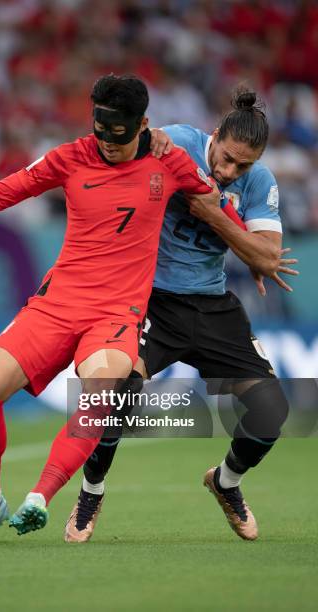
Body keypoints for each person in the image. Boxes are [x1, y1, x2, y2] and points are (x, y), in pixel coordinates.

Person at [0, 74, 245, 545]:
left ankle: (41, 496)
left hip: (117, 314)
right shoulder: (69, 157)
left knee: (97, 398)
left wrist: (255, 252)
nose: (108, 145)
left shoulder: (170, 162)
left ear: (142, 126)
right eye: (101, 132)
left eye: (119, 136)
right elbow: (3, 192)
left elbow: (218, 206)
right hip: (57, 304)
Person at [65, 88, 297, 543]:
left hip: (213, 306)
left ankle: (226, 482)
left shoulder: (259, 181)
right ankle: (91, 491)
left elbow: (269, 258)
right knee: (118, 390)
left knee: (272, 412)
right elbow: (116, 152)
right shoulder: (173, 142)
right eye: (226, 159)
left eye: (241, 166)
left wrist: (214, 212)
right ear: (214, 136)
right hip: (150, 300)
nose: (229, 172)